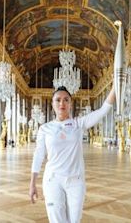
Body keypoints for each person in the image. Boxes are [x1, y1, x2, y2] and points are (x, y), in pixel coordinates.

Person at [29, 86, 115, 223]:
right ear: (53, 104)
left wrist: (116, 85)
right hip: (53, 181)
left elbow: (103, 110)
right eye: (58, 100)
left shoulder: (78, 124)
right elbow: (38, 155)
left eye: (66, 100)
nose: (62, 103)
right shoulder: (44, 129)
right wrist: (32, 183)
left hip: (76, 181)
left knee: (74, 221)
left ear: (70, 104)